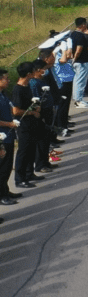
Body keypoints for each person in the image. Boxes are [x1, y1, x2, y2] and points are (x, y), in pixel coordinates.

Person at [0, 69, 22, 205]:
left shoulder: (3, 94)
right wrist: (9, 124)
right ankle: (2, 196)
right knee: (2, 168)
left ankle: (5, 190)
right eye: (6, 78)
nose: (8, 80)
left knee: (7, 167)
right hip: (2, 137)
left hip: (9, 134)